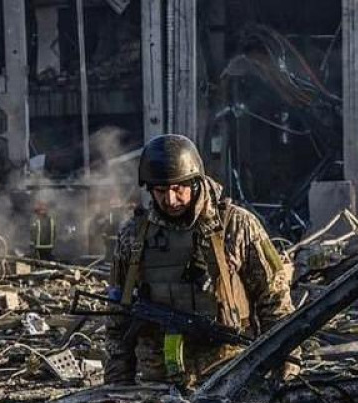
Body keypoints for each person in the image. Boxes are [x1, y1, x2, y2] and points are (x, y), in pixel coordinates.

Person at [105, 134, 294, 387]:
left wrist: (287, 365)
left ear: (195, 182)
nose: (170, 200)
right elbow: (119, 318)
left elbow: (275, 299)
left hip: (228, 373)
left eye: (177, 188)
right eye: (161, 191)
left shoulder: (237, 225)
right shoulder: (133, 236)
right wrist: (117, 385)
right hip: (157, 379)